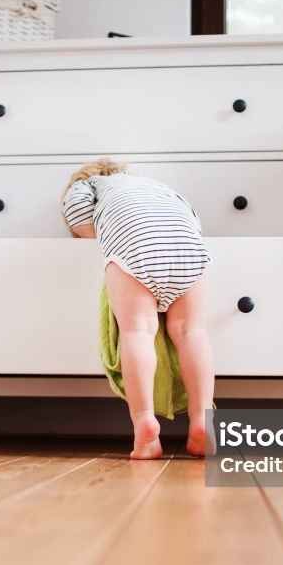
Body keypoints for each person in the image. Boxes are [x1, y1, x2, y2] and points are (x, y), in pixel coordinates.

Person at [61, 158, 215, 459]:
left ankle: (144, 424)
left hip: (134, 244)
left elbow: (77, 215)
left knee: (138, 331)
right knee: (192, 331)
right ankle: (201, 423)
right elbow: (193, 218)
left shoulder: (88, 185)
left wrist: (96, 232)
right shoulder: (159, 187)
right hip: (188, 245)